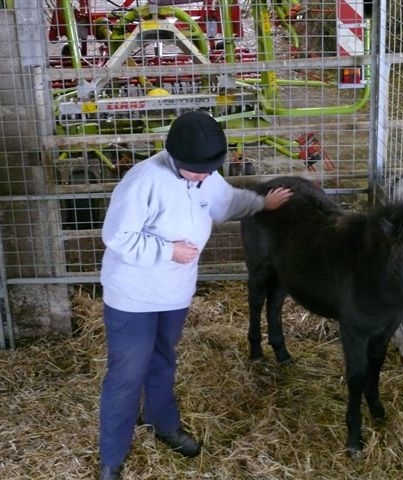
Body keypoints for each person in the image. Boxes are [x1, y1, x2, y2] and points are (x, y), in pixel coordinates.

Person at [97, 110, 293, 480]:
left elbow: (224, 202)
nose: (204, 178)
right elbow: (118, 237)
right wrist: (168, 251)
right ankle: (112, 456)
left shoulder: (204, 176)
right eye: (197, 171)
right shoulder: (144, 181)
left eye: (209, 170)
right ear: (175, 157)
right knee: (126, 374)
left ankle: (162, 423)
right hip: (134, 296)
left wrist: (260, 203)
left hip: (174, 293)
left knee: (163, 359)